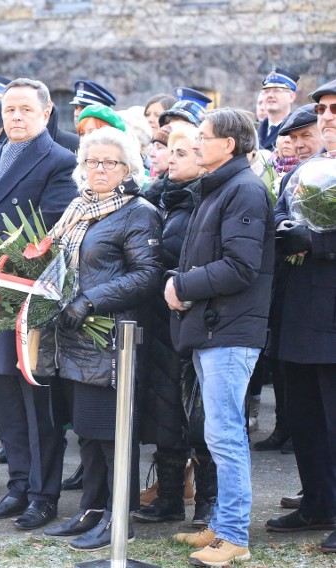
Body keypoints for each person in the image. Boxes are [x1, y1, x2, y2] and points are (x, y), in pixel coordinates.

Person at [0, 78, 78, 531]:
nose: (17, 117)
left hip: (26, 301)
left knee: (35, 404)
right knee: (3, 399)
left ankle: (44, 495)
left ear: (46, 114)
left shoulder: (60, 161)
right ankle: (19, 485)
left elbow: (48, 231)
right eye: (10, 109)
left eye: (26, 109)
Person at [41, 127, 162, 550]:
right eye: (93, 161)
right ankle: (92, 508)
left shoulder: (138, 212)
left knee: (114, 434)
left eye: (110, 162)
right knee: (89, 433)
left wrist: (90, 300)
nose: (100, 169)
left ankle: (119, 517)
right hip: (72, 339)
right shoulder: (78, 207)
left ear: (128, 168)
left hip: (112, 339)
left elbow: (147, 274)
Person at [166, 108, 275, 566]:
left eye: (203, 138)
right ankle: (220, 526)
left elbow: (240, 266)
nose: (194, 146)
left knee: (227, 436)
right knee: (217, 434)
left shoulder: (244, 190)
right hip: (213, 328)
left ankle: (233, 537)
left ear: (228, 144)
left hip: (229, 331)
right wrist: (178, 279)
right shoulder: (219, 187)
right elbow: (201, 255)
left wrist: (182, 286)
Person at [264, 79, 336, 555]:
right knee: (306, 417)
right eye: (324, 109)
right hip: (297, 311)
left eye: (335, 109)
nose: (327, 116)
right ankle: (319, 502)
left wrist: (318, 243)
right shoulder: (310, 171)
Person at [134, 123, 217, 528]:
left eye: (181, 151)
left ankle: (207, 504)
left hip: (193, 319)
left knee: (199, 419)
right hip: (156, 318)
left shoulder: (208, 200)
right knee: (165, 413)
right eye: (169, 150)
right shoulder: (156, 199)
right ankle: (169, 497)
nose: (168, 157)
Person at [257, 67, 299, 150]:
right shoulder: (254, 130)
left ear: (291, 97)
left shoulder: (296, 130)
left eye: (277, 90)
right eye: (266, 91)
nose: (270, 95)